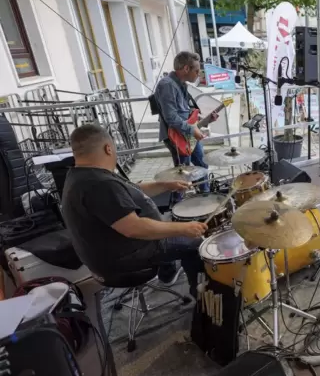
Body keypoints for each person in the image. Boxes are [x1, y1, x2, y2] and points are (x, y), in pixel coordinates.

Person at [61, 124, 207, 295]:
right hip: (123, 258)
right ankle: (200, 294)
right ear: (108, 148)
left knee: (168, 229)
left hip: (106, 254)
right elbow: (134, 228)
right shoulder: (99, 184)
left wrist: (166, 185)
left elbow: (131, 190)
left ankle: (167, 270)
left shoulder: (82, 175)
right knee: (195, 243)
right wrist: (184, 228)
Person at [154, 52, 217, 193]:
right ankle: (178, 207)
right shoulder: (167, 85)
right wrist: (192, 130)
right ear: (186, 69)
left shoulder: (181, 85)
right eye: (196, 70)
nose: (199, 74)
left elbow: (186, 114)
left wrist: (205, 120)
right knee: (182, 176)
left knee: (202, 165)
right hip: (176, 136)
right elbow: (171, 117)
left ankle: (205, 196)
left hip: (187, 134)